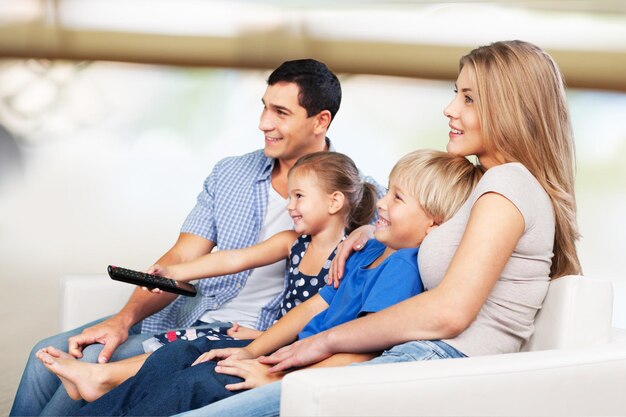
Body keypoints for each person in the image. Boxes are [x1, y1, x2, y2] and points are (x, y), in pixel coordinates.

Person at [174, 39, 582, 417]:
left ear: (511, 108)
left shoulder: (507, 184)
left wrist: (318, 345)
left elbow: (450, 312)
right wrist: (369, 231)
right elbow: (427, 231)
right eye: (456, 93)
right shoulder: (483, 185)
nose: (450, 108)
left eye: (468, 98)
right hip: (417, 356)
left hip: (436, 361)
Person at [10, 58, 384, 417]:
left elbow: (385, 263)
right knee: (44, 353)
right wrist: (123, 319)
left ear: (321, 121)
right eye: (264, 107)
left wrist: (368, 229)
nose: (264, 123)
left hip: (251, 335)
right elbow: (189, 258)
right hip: (194, 315)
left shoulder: (357, 196)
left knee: (90, 361)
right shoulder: (231, 175)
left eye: (281, 113)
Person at [42, 149, 482, 416]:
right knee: (178, 355)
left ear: (434, 221)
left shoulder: (402, 269)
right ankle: (101, 393)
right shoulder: (365, 249)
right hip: (281, 351)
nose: (382, 201)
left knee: (191, 383)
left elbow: (363, 350)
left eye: (397, 198)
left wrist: (273, 371)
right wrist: (252, 349)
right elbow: (313, 308)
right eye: (387, 192)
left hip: (299, 367)